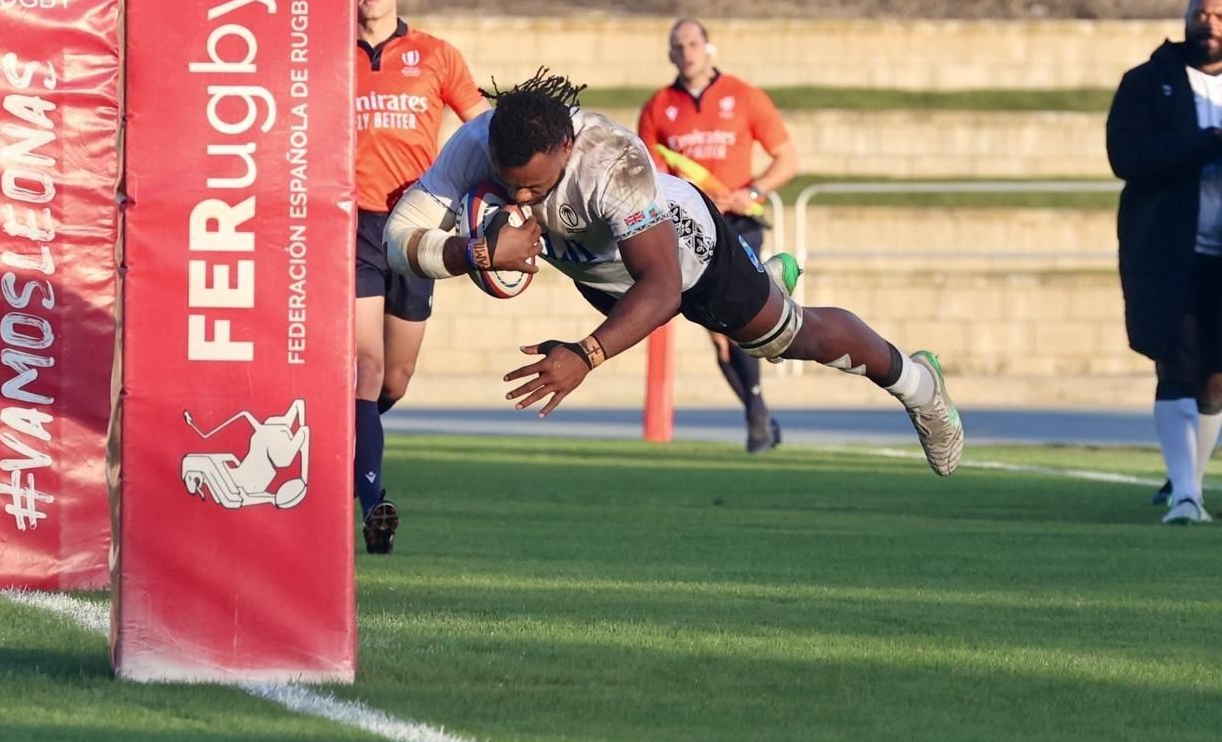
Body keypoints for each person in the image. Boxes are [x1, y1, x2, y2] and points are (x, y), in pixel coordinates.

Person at [383, 68, 964, 476]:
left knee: (788, 338)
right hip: (604, 277)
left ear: (565, 145)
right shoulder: (475, 144)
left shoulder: (613, 159)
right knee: (683, 316)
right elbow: (396, 239)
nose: (521, 196)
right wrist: (473, 255)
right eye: (511, 184)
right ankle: (767, 277)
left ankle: (919, 385)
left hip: (687, 256)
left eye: (535, 185)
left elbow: (661, 289)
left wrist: (584, 355)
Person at [353, 0, 489, 552]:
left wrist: (492, 202)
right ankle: (372, 503)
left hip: (416, 225)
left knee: (396, 379)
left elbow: (483, 130)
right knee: (366, 366)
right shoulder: (320, 52)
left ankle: (343, 448)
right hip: (348, 224)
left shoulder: (435, 55)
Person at [638, 19, 799, 452]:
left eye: (693, 43)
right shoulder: (658, 108)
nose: (687, 51)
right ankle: (758, 412)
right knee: (719, 333)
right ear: (670, 54)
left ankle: (757, 417)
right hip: (691, 228)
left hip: (740, 225)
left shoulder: (744, 97)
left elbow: (787, 159)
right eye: (678, 45)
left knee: (741, 321)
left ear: (709, 47)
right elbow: (648, 179)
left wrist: (754, 191)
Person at [1107, 0, 1222, 525]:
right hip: (1168, 252)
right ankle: (1186, 496)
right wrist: (1207, 144)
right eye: (1202, 14)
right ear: (1186, 14)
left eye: (1221, 17)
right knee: (1176, 363)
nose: (1210, 26)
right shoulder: (1149, 83)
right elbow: (1127, 157)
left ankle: (1189, 484)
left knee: (1216, 375)